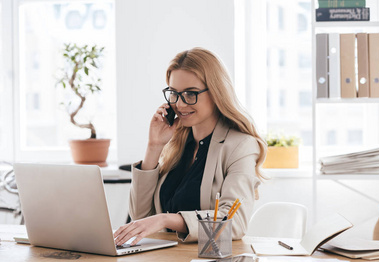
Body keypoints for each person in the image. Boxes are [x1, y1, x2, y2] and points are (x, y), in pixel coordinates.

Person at [113, 47, 266, 246]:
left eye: (191, 93)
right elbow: (141, 215)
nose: (180, 104)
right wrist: (154, 146)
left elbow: (234, 224)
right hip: (165, 260)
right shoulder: (177, 144)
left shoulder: (241, 146)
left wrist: (166, 219)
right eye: (174, 94)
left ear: (217, 92)